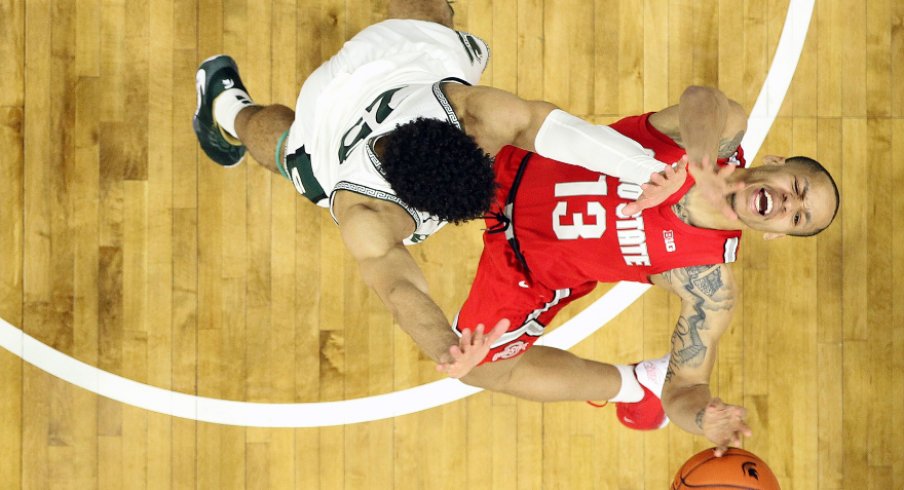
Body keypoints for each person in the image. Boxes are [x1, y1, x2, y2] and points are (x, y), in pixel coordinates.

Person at [192, 1, 732, 369]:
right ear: (415, 207)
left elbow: (549, 128)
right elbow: (399, 290)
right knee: (290, 151)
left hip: (377, 66)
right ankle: (226, 109)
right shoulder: (371, 209)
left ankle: (226, 109)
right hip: (337, 111)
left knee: (425, 17)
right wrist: (446, 348)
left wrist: (646, 171)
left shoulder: (458, 121)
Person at [435, 85, 840, 456]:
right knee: (434, 118)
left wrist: (703, 418)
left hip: (527, 268)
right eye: (798, 187)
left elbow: (685, 390)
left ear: (776, 235)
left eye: (798, 218)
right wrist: (699, 164)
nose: (789, 204)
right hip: (516, 159)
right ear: (775, 162)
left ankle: (633, 386)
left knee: (478, 367)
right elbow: (702, 99)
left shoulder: (708, 285)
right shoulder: (718, 136)